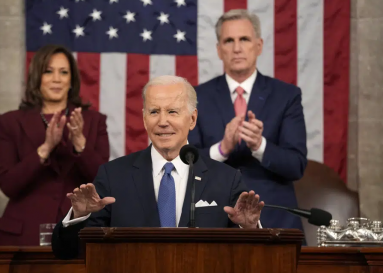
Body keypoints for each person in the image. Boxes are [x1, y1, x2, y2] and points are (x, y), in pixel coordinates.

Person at [51, 75, 264, 259]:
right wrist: (79, 216)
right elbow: (68, 252)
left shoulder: (226, 180)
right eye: (154, 112)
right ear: (144, 119)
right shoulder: (113, 176)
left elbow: (251, 257)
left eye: (172, 112)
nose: (163, 121)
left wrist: (250, 229)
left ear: (192, 119)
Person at [188, 9, 307, 231]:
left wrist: (259, 145)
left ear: (259, 45)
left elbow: (296, 166)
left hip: (273, 218)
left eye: (244, 39)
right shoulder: (196, 97)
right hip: (214, 218)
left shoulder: (286, 96)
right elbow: (184, 164)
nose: (237, 48)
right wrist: (222, 149)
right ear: (219, 49)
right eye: (228, 41)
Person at [0, 44, 110, 246]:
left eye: (63, 72)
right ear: (37, 77)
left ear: (71, 80)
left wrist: (80, 144)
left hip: (77, 234)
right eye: (48, 71)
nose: (56, 79)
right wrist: (44, 149)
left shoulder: (93, 121)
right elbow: (8, 185)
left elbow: (102, 183)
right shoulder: (10, 122)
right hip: (23, 236)